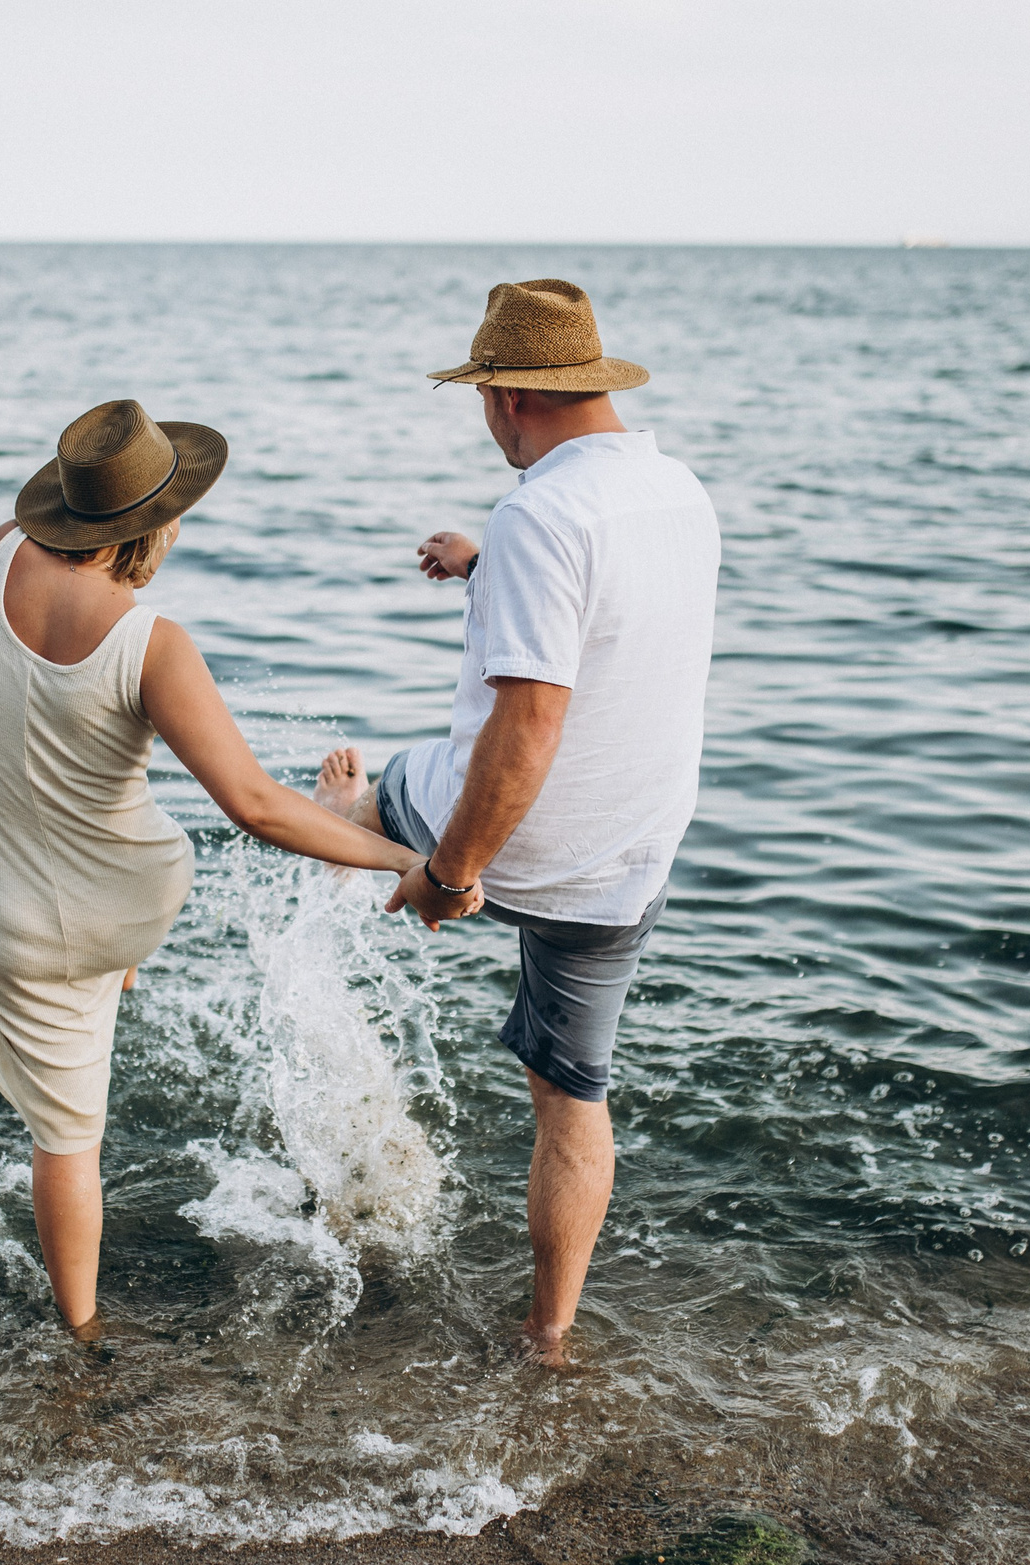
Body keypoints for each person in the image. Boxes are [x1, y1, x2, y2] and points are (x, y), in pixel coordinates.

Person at [0, 399, 420, 1335]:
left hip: (0, 897)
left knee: (61, 1135)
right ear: (154, 524)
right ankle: (82, 1328)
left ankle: (82, 1332)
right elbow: (255, 805)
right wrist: (402, 860)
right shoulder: (150, 643)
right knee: (76, 1138)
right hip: (120, 897)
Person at [313, 279, 721, 1362]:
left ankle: (360, 825)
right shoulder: (678, 492)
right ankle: (548, 1336)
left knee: (400, 777)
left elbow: (528, 725)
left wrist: (451, 875)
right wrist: (481, 563)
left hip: (508, 838)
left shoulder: (537, 509)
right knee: (571, 1092)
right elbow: (607, 613)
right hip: (626, 851)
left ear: (504, 397)